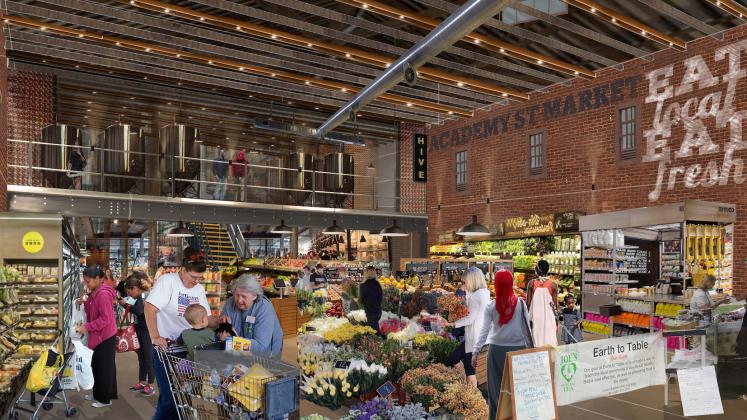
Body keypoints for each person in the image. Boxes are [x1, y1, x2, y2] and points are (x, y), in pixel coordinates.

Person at [145, 254, 212, 420]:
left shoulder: (198, 289)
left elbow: (206, 318)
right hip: (167, 351)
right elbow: (149, 308)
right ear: (183, 270)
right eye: (193, 277)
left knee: (184, 398)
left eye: (200, 278)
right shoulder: (168, 281)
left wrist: (221, 321)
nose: (196, 281)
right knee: (171, 399)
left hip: (189, 352)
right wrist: (155, 336)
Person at [472, 270, 532, 420]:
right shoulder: (521, 304)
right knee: (518, 390)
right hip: (518, 352)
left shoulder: (491, 307)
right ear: (511, 284)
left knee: (496, 392)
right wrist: (533, 350)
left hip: (496, 352)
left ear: (497, 285)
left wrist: (476, 352)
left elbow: (484, 331)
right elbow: (527, 330)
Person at [76, 266, 118, 408]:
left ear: (98, 279)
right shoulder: (96, 292)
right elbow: (93, 309)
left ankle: (104, 399)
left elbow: (105, 319)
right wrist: (85, 302)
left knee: (103, 368)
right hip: (100, 335)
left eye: (88, 281)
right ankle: (100, 393)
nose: (86, 284)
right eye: (85, 281)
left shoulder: (103, 294)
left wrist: (86, 327)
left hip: (105, 336)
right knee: (99, 366)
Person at [218, 274, 283, 358]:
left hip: (267, 355)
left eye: (244, 296)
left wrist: (232, 342)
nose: (239, 300)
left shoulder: (264, 309)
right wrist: (222, 329)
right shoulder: (230, 303)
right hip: (240, 353)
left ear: (254, 296)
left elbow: (260, 346)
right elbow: (220, 330)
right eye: (237, 295)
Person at [449, 267, 490, 388]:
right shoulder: (484, 293)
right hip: (479, 336)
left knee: (469, 369)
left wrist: (452, 324)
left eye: (464, 281)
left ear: (471, 280)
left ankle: (474, 400)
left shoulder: (476, 296)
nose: (464, 284)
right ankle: (467, 389)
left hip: (474, 338)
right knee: (455, 357)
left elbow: (470, 319)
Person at [120, 271, 155, 396]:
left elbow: (139, 311)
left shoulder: (143, 296)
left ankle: (150, 385)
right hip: (140, 329)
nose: (130, 295)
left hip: (146, 330)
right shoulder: (140, 296)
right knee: (141, 356)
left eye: (130, 292)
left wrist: (125, 305)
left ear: (135, 288)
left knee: (148, 357)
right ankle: (142, 381)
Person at [527, 259, 558, 347]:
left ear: (537, 270)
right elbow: (554, 306)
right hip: (549, 318)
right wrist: (556, 322)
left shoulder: (531, 283)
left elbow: (528, 304)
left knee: (537, 339)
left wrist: (526, 319)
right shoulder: (553, 285)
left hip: (536, 317)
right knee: (549, 341)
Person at [359, 267, 383, 335]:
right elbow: (380, 298)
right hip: (378, 311)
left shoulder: (363, 286)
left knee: (375, 332)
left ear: (365, 274)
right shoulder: (378, 284)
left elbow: (362, 300)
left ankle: (379, 342)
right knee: (374, 328)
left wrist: (358, 300)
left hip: (370, 312)